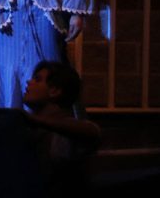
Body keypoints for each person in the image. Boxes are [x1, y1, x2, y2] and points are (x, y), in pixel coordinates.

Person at [23, 61, 101, 197]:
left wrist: (33, 120)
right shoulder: (33, 128)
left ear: (54, 91)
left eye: (37, 79)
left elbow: (92, 131)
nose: (29, 82)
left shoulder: (65, 133)